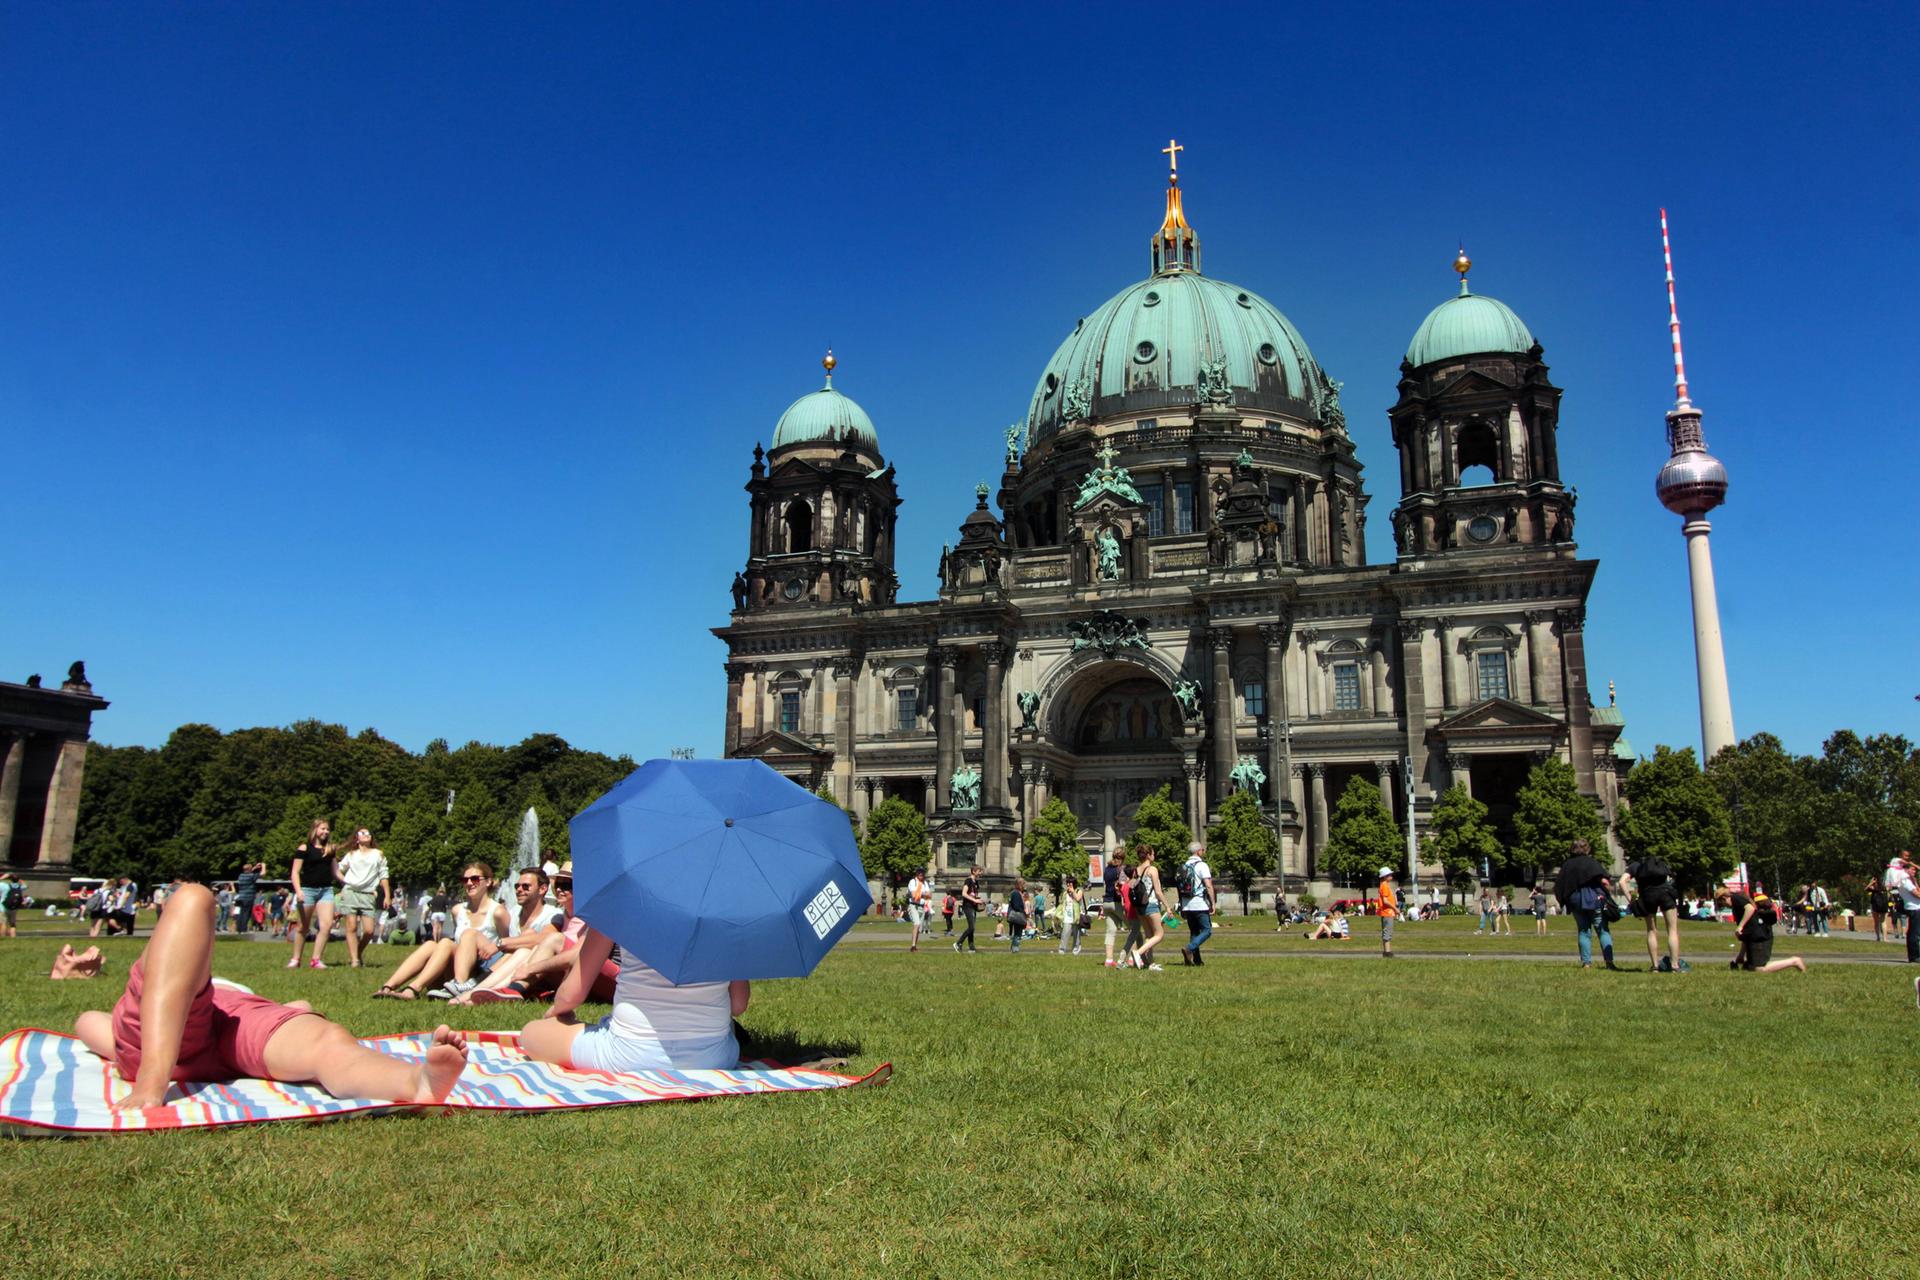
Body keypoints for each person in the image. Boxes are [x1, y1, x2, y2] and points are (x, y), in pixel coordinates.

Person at [71, 882, 467, 1110]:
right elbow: (92, 1025)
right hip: (205, 1022)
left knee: (325, 1043)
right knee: (192, 898)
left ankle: (417, 1082)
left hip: (198, 1030)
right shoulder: (190, 988)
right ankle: (152, 1081)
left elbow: (90, 1023)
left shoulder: (155, 1009)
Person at [518, 920, 749, 1075]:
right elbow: (738, 1005)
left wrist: (557, 1014)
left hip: (628, 1054)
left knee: (530, 1033)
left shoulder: (619, 907)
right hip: (714, 1057)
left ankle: (567, 1028)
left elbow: (572, 994)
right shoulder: (727, 919)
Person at [372, 864, 506, 1000]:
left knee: (452, 940)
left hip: (479, 974)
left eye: (475, 879)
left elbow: (506, 949)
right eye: (465, 880)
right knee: (432, 944)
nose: (469, 883)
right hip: (454, 971)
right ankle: (388, 987)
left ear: (488, 882)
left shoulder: (498, 912)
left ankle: (413, 989)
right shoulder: (458, 910)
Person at [431, 867, 561, 999]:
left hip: (526, 965)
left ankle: (476, 984)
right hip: (502, 962)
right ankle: (460, 983)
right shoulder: (513, 912)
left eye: (526, 886)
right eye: (517, 886)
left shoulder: (552, 914)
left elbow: (544, 939)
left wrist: (500, 944)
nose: (519, 890)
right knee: (470, 933)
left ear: (542, 889)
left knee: (526, 939)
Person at [333, 828, 390, 969]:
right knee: (351, 926)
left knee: (369, 931)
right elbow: (338, 868)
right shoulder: (351, 855)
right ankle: (355, 961)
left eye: (368, 833)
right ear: (357, 839)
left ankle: (357, 952)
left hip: (368, 894)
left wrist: (387, 895)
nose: (366, 835)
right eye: (362, 833)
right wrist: (345, 881)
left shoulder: (378, 854)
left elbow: (384, 875)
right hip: (350, 892)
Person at [1625, 852, 1688, 973]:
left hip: (1647, 896)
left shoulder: (1636, 865)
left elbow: (1623, 881)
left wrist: (1631, 899)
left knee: (1651, 931)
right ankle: (1675, 965)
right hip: (1665, 893)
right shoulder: (1660, 862)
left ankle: (1655, 966)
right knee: (1672, 930)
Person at [288, 820, 338, 969]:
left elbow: (335, 872)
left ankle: (316, 960)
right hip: (307, 890)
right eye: (323, 828)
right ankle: (296, 959)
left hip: (326, 890)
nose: (326, 832)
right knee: (303, 927)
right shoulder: (304, 848)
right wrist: (299, 891)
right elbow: (295, 872)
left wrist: (350, 882)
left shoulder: (330, 849)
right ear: (315, 829)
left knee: (327, 925)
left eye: (328, 829)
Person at [1718, 887, 1804, 973]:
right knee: (1749, 968)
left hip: (1759, 936)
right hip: (1754, 936)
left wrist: (1740, 926)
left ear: (1724, 898)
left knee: (1760, 969)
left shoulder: (1735, 898)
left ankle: (1794, 961)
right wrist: (1741, 955)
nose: (1724, 906)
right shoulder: (1737, 905)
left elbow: (1750, 909)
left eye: (1721, 903)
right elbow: (1746, 934)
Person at [1564, 840, 1618, 970]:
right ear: (1587, 849)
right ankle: (1609, 962)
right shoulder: (1591, 863)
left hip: (1576, 900)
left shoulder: (1567, 865)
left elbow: (1560, 885)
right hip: (1594, 899)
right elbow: (1604, 881)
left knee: (1583, 931)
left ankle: (1586, 963)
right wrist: (1609, 893)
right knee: (1602, 930)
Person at [1126, 848, 1168, 971]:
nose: (1154, 856)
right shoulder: (1152, 869)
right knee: (1159, 934)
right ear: (1148, 855)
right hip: (1151, 904)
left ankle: (1150, 963)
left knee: (1149, 935)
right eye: (1153, 853)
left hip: (1140, 906)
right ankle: (1138, 953)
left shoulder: (1136, 870)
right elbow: (1158, 892)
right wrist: (1168, 907)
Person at [1177, 842, 1215, 967]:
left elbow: (1179, 887)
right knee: (1207, 930)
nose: (1203, 852)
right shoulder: (1202, 865)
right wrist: (1213, 903)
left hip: (1187, 903)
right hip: (1199, 903)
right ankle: (1189, 948)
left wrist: (1182, 905)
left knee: (1194, 932)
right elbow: (1208, 885)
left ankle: (1197, 960)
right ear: (1198, 851)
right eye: (1202, 850)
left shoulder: (1184, 865)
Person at [1886, 853, 1920, 964]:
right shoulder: (1904, 880)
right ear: (1905, 870)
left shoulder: (1910, 879)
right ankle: (1914, 956)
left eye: (1915, 870)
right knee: (1915, 933)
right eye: (1912, 870)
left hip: (1916, 907)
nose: (1914, 872)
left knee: (1914, 932)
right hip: (1914, 908)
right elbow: (1915, 893)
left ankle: (1915, 955)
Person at [1101, 850, 1127, 967]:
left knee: (1110, 931)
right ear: (1123, 858)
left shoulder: (1107, 869)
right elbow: (1123, 885)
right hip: (1117, 902)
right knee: (1134, 928)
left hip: (1106, 902)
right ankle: (1132, 958)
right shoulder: (1121, 869)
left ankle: (1109, 960)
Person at [953, 866, 982, 954]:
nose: (981, 873)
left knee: (972, 928)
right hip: (968, 906)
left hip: (973, 906)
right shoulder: (968, 881)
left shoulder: (976, 882)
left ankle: (971, 947)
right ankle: (958, 943)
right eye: (979, 871)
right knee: (971, 927)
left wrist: (978, 899)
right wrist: (974, 900)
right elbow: (964, 894)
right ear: (974, 871)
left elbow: (973, 893)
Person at [1056, 875, 1084, 956]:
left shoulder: (1079, 890)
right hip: (1067, 917)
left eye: (1070, 883)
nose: (1068, 884)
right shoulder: (1065, 893)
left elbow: (1078, 899)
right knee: (1064, 934)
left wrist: (1072, 891)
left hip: (1076, 917)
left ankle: (1076, 952)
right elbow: (1062, 904)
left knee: (1077, 936)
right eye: (1067, 883)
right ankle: (1062, 951)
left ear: (1074, 883)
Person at [232, 861, 261, 934]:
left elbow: (248, 871)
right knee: (246, 914)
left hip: (241, 897)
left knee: (240, 913)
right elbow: (262, 873)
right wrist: (263, 866)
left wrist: (254, 867)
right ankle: (243, 929)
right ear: (250, 869)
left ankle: (239, 929)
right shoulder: (251, 876)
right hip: (248, 898)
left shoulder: (241, 876)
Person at [1376, 867, 1399, 959]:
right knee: (1387, 931)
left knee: (1387, 931)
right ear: (1385, 877)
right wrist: (1395, 908)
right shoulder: (1384, 885)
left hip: (1387, 912)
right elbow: (1385, 901)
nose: (1391, 876)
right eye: (1389, 875)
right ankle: (1387, 952)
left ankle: (1387, 951)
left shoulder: (1384, 885)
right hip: (1387, 912)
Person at [905, 869, 928, 953]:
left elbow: (930, 895)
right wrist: (924, 894)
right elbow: (914, 896)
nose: (921, 875)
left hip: (921, 907)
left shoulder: (925, 883)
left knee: (919, 928)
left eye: (922, 874)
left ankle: (915, 946)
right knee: (917, 924)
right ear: (917, 874)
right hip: (913, 906)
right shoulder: (913, 882)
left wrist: (921, 894)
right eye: (919, 874)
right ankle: (913, 946)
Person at [1006, 878, 1028, 953]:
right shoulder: (1015, 893)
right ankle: (1015, 948)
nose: (1025, 886)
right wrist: (1023, 911)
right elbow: (1016, 906)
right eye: (1023, 884)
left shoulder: (1017, 893)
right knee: (1018, 933)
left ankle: (1013, 947)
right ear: (1019, 884)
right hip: (1017, 915)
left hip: (1017, 915)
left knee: (1017, 933)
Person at [0, 872, 21, 938]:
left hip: (3, 907)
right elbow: (26, 885)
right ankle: (13, 937)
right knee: (12, 924)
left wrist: (2, 877)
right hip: (14, 908)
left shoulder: (4, 885)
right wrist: (14, 876)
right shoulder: (19, 886)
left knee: (3, 923)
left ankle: (3, 937)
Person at [1869, 878, 1890, 943]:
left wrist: (1871, 883)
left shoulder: (1873, 889)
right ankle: (1885, 938)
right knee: (1883, 922)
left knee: (1876, 922)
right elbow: (1888, 895)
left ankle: (1878, 937)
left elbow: (1866, 889)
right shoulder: (1885, 888)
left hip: (1875, 906)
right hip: (1884, 906)